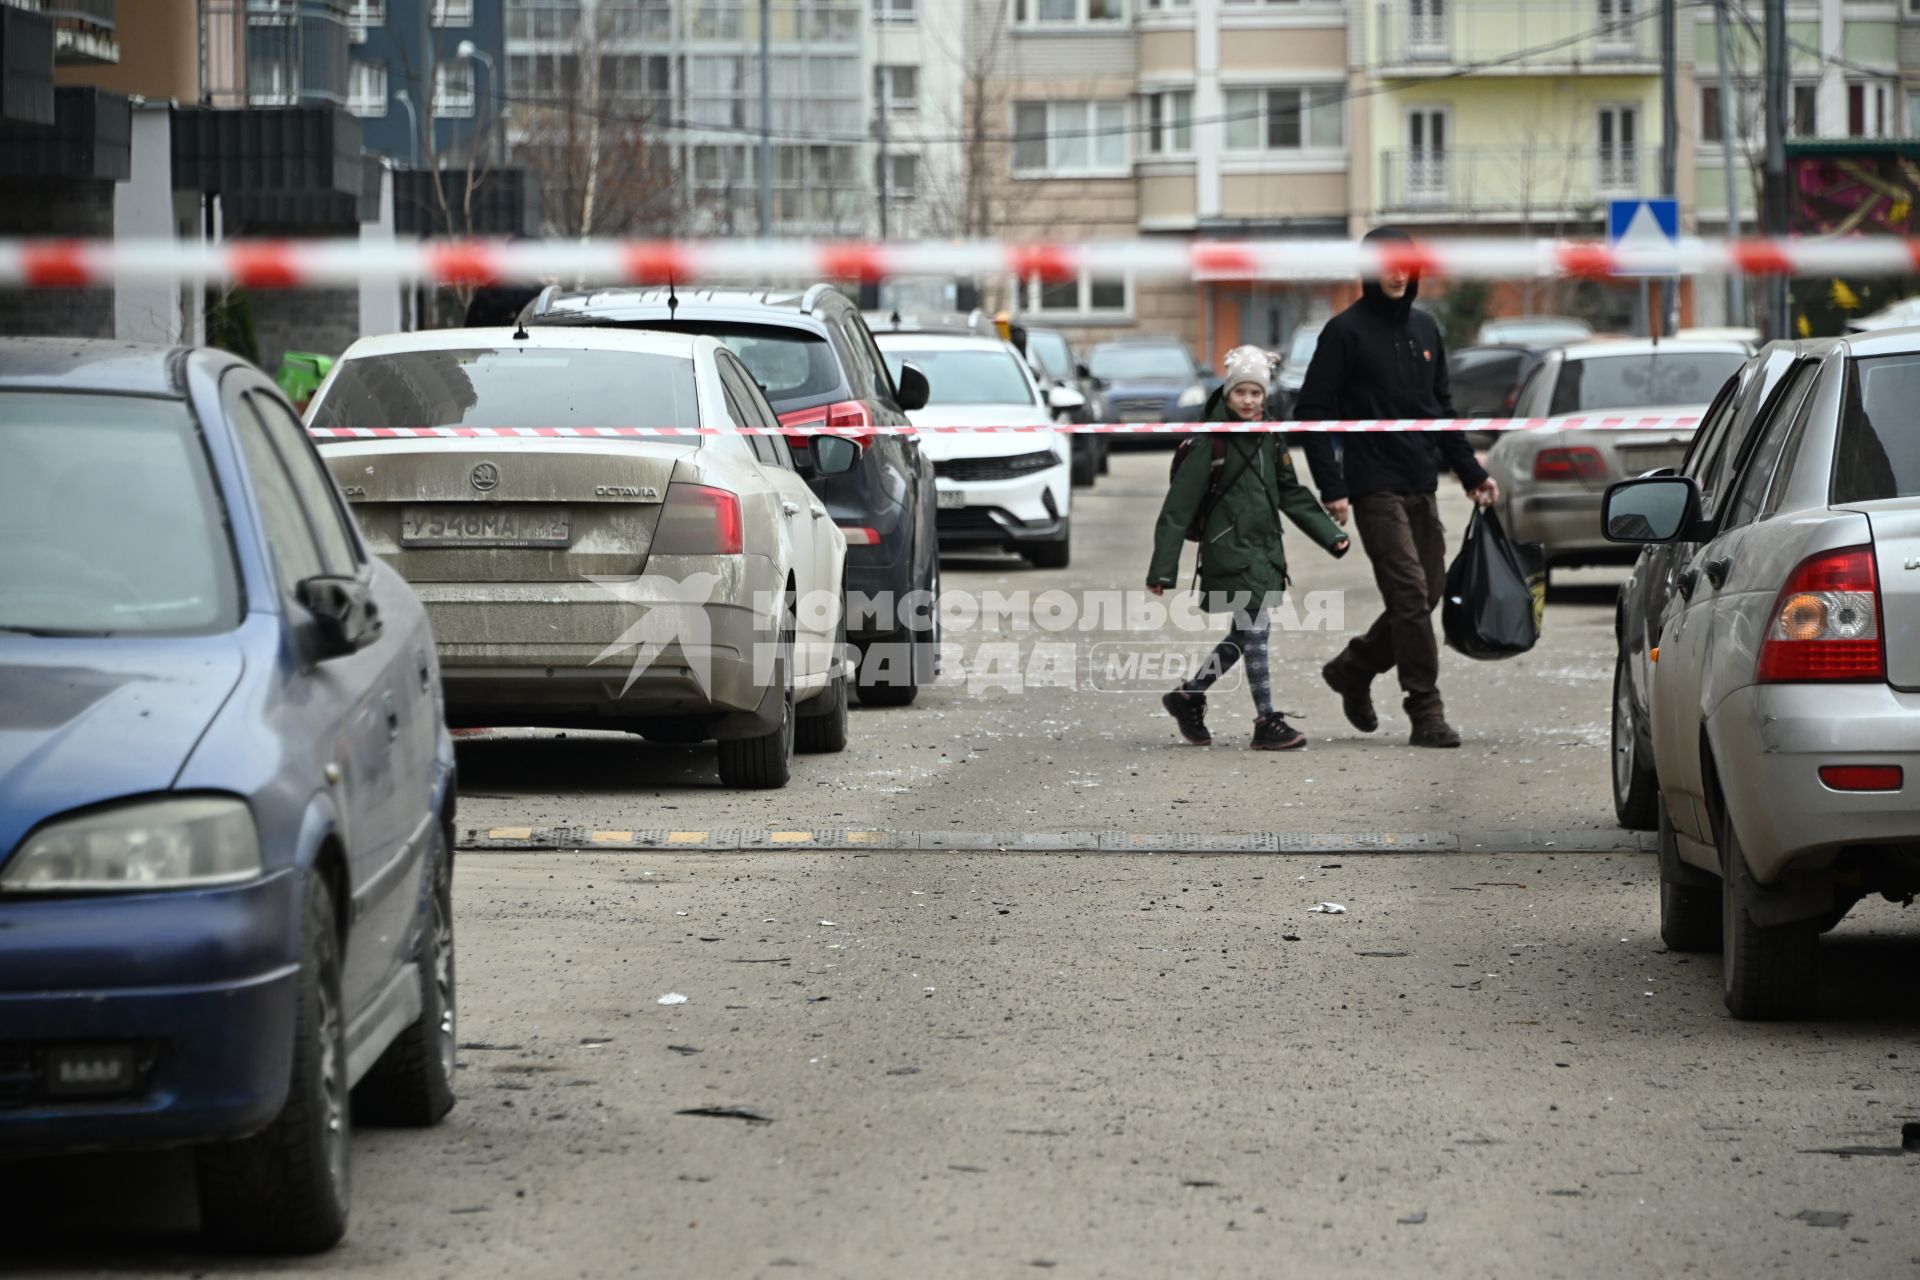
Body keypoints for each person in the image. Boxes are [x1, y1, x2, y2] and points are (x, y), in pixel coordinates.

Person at [1295, 226, 1499, 750]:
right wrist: (1331, 486)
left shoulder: (1427, 329)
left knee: (1426, 593)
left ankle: (1353, 667)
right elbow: (1312, 413)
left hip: (1420, 481)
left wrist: (1472, 474)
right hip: (1372, 486)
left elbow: (1441, 413)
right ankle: (1425, 710)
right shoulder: (1344, 332)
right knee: (1409, 595)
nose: (1395, 272)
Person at [1148, 345, 1350, 751]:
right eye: (1240, 392)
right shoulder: (1211, 442)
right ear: (1227, 393)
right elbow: (1177, 508)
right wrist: (1162, 570)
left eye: (1256, 393)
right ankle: (1265, 720)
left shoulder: (1269, 437)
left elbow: (1290, 493)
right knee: (1255, 632)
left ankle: (1189, 695)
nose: (1248, 400)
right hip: (1229, 551)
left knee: (1244, 635)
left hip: (1265, 550)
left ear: (1265, 396)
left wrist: (1329, 534)